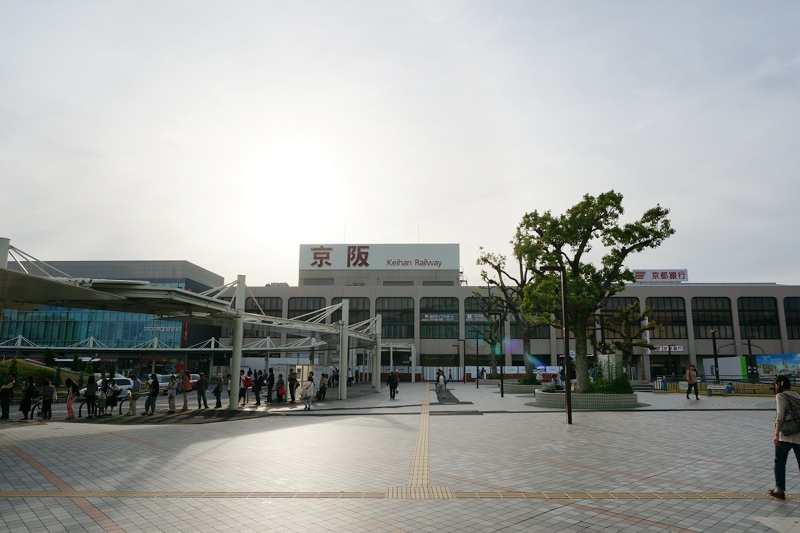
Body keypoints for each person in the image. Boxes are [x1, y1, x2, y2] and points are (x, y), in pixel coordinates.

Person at [770, 375, 800, 500]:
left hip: (786, 436)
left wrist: (776, 434)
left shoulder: (781, 396)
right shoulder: (797, 395)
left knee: (780, 462)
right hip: (799, 435)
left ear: (778, 384)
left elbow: (780, 416)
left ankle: (779, 490)